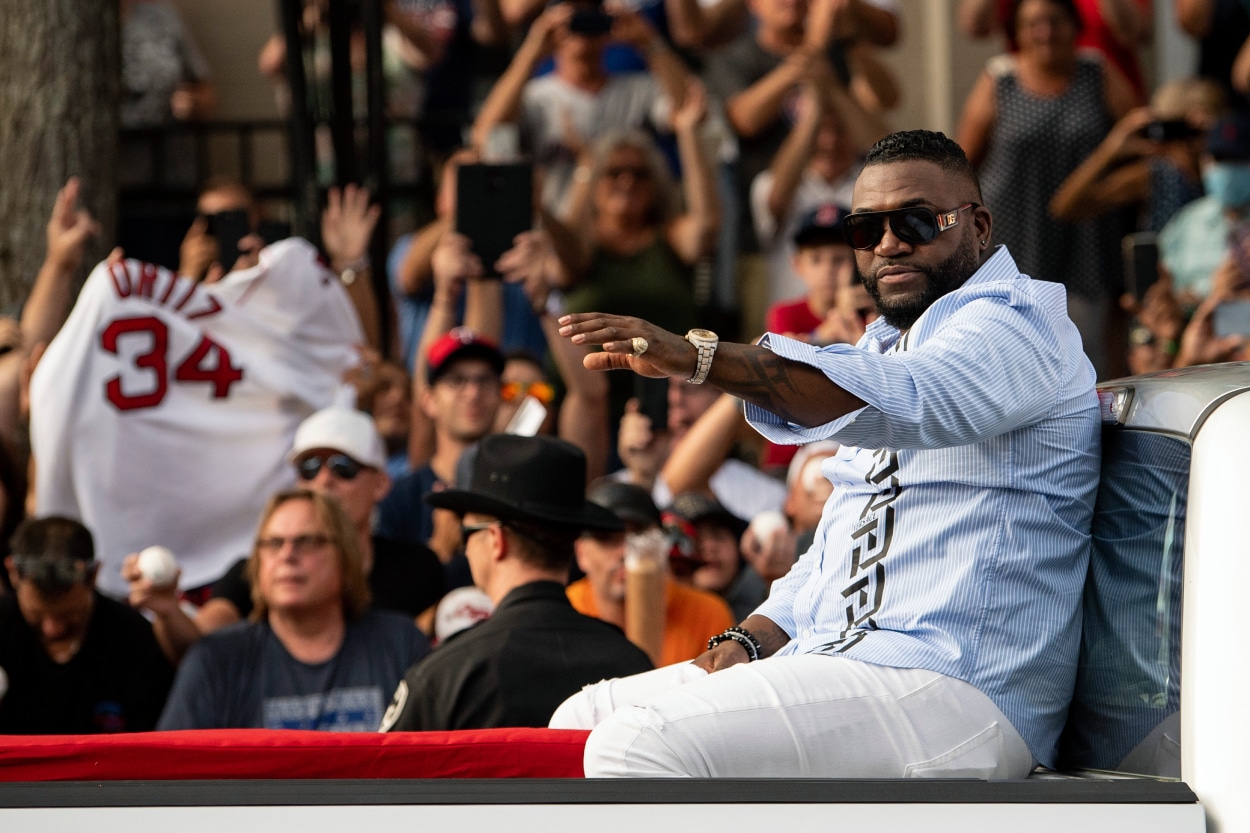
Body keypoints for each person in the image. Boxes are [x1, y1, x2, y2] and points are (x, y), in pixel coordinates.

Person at [551, 129, 1100, 779]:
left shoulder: (1019, 322)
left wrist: (700, 357)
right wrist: (747, 637)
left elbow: (907, 399)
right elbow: (835, 547)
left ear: (978, 226)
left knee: (634, 746)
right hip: (845, 660)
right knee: (578, 722)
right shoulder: (886, 342)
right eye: (867, 229)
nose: (889, 243)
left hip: (961, 685)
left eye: (917, 221)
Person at [126, 406, 446, 662]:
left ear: (381, 484)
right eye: (309, 468)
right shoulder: (258, 569)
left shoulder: (418, 567)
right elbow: (199, 646)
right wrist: (168, 612)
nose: (324, 481)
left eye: (342, 467)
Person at [380, 435, 653, 731]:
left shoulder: (443, 678)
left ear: (496, 541)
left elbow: (386, 772)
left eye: (467, 532)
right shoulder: (631, 666)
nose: (466, 548)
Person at [958, 0, 1136, 378]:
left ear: (1074, 27)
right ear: (1017, 33)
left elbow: (1139, 136)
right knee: (1019, 353)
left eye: (1055, 22)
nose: (1046, 32)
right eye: (1033, 24)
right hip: (1017, 229)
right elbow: (962, 162)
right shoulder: (999, 78)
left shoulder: (1096, 70)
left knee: (1090, 358)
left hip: (1088, 233)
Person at [157, 490, 430, 730]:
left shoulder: (401, 643)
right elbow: (170, 774)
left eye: (308, 541)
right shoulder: (215, 660)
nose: (287, 555)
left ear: (345, 557)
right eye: (274, 543)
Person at [0, 517, 173, 733]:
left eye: (69, 614)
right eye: (36, 614)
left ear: (94, 574)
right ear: (12, 572)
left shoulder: (133, 639)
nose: (51, 628)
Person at [569, 482, 734, 666]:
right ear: (581, 552)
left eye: (638, 536)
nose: (625, 551)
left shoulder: (706, 614)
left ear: (662, 545)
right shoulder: (567, 612)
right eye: (607, 539)